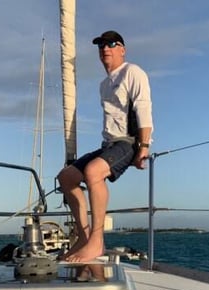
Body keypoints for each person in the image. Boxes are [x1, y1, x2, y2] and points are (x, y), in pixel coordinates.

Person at [58, 30, 153, 262]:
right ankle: (84, 237)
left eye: (112, 44)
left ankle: (97, 241)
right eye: (101, 45)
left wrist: (143, 147)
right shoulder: (104, 84)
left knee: (93, 172)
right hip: (109, 144)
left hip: (129, 142)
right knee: (67, 177)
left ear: (123, 49)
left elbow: (143, 108)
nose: (105, 48)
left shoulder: (133, 72)